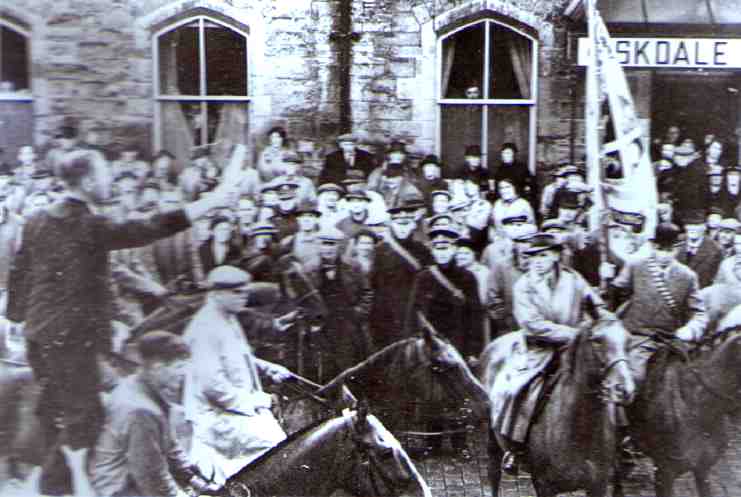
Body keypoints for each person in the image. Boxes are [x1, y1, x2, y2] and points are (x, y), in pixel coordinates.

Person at [6, 148, 240, 495]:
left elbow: (20, 272)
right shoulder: (89, 223)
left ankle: (47, 486)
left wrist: (15, 316)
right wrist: (213, 201)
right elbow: (148, 228)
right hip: (71, 341)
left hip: (41, 338)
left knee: (67, 415)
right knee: (83, 420)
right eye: (104, 175)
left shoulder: (37, 218)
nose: (110, 181)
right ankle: (70, 488)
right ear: (87, 181)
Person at [496, 233, 614, 474]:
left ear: (556, 255)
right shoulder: (524, 286)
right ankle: (515, 447)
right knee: (519, 390)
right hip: (539, 349)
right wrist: (575, 334)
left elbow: (596, 305)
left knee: (607, 383)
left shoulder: (574, 279)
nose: (537, 261)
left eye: (543, 255)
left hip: (577, 350)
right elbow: (532, 323)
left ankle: (619, 444)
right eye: (532, 256)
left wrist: (605, 318)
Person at [182, 266, 297, 483]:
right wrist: (257, 401)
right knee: (280, 449)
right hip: (216, 418)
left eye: (244, 291)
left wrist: (267, 367)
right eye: (236, 292)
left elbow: (237, 356)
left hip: (236, 409)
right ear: (215, 294)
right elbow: (214, 387)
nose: (244, 296)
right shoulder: (205, 328)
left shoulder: (226, 317)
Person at [89, 331, 219, 497]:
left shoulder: (143, 387)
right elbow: (151, 477)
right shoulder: (139, 409)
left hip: (134, 478)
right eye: (179, 367)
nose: (184, 374)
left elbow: (170, 445)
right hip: (119, 489)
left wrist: (194, 477)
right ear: (158, 368)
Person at [601, 222, 708, 386]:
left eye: (669, 250)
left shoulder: (688, 276)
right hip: (637, 337)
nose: (664, 255)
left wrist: (690, 330)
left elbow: (700, 313)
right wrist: (608, 281)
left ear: (677, 249)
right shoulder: (636, 266)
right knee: (634, 379)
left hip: (670, 341)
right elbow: (615, 297)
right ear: (652, 247)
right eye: (660, 249)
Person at [369, 196, 431, 350]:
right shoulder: (380, 251)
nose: (402, 228)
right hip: (387, 315)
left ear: (413, 225)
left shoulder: (422, 251)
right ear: (391, 224)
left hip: (415, 313)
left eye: (407, 223)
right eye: (398, 223)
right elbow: (374, 284)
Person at [675, 211, 722, 288]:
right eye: (689, 224)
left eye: (697, 225)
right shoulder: (677, 243)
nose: (692, 228)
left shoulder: (715, 250)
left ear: (704, 227)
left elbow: (715, 280)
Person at [671, 142, 708, 225]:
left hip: (693, 213)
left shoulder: (698, 171)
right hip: (677, 212)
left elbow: (702, 194)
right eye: (678, 156)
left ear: (690, 157)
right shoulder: (672, 171)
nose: (680, 159)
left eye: (684, 157)